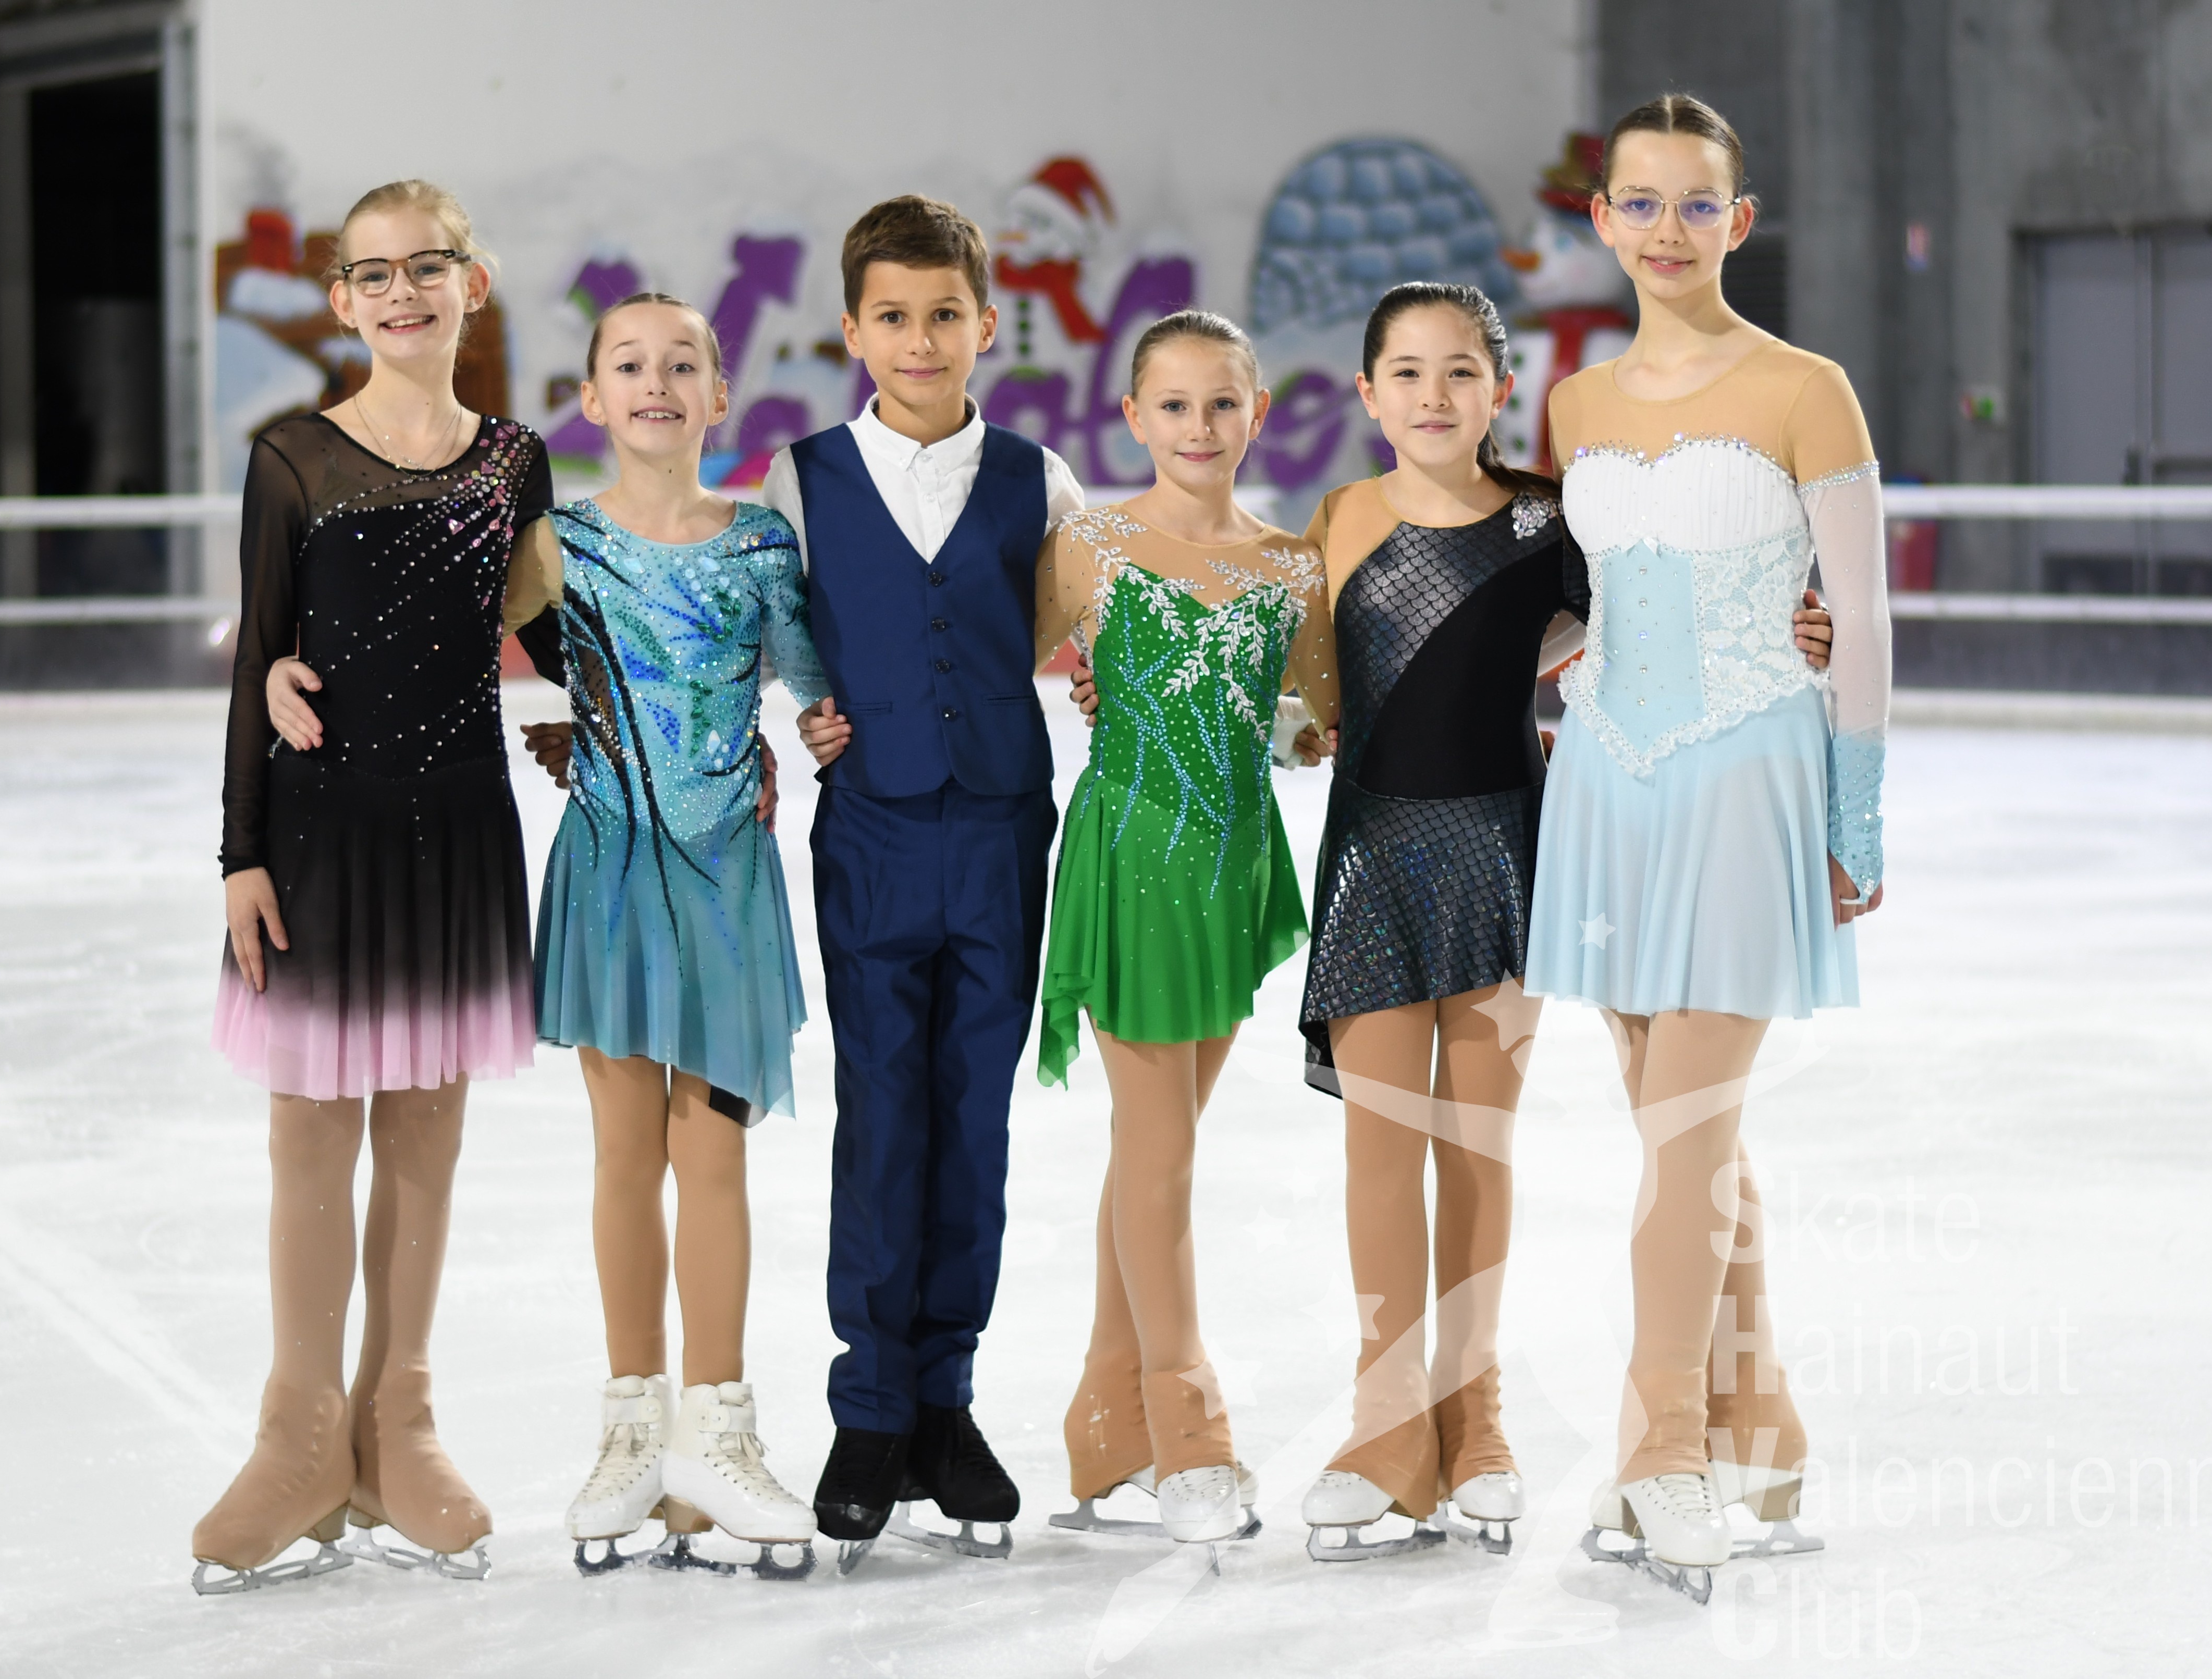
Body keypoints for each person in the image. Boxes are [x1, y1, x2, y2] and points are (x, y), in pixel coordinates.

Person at [1291, 283, 1839, 1563]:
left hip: (1506, 857)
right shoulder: (1338, 518)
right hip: (1371, 862)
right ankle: (1383, 1428)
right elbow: (1302, 687)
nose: (1433, 396)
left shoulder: (1550, 518)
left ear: (1502, 388)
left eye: (1460, 372)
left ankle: (1479, 1425)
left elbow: (1655, 614)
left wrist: (1783, 626)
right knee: (1380, 1150)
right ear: (1365, 393)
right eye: (1405, 373)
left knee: (1478, 1146)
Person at [1526, 93, 1888, 1588]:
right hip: (1606, 786)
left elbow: (1860, 618)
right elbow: (1578, 600)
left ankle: (1662, 1451)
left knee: (1685, 1140)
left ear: (1736, 222)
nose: (1666, 229)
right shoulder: (1573, 406)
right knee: (1690, 1139)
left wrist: (1854, 819)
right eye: (1641, 201)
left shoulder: (1808, 389)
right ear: (1601, 218)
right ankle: (1763, 1425)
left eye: (1695, 204)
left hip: (1750, 776)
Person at [195, 179, 551, 1591]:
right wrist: (239, 852)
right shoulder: (292, 458)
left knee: (424, 1131)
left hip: (458, 827)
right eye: (376, 274)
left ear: (473, 282)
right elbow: (259, 658)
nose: (404, 293)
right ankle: (297, 1434)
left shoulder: (514, 463)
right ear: (342, 299)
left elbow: (558, 629)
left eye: (429, 267)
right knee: (309, 1130)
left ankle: (395, 1421)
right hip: (320, 831)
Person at [754, 195, 1087, 1566]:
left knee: (973, 1115)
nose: (919, 339)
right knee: (882, 1108)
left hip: (1003, 825)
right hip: (874, 832)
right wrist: (808, 709)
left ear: (985, 325)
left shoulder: (1037, 478)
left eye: (944, 314)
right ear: (852, 329)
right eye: (892, 316)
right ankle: (870, 1409)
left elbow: (1075, 621)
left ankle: (947, 1398)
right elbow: (770, 623)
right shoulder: (801, 478)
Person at [503, 293, 826, 1576]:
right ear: (591, 400)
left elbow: (821, 688)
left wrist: (822, 735)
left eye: (682, 363)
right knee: (623, 1153)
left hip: (729, 880)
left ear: (717, 396)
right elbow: (459, 640)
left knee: (715, 1156)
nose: (656, 382)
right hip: (610, 873)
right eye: (629, 365)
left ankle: (718, 1431)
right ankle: (632, 1430)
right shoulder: (556, 545)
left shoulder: (760, 544)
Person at [1033, 311, 1336, 1549]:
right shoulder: (1087, 547)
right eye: (1173, 404)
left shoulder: (1292, 566)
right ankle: (1190, 1429)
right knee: (1159, 1154)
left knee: (1152, 1149)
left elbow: (1313, 720)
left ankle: (1105, 1425)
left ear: (1256, 413)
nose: (1198, 426)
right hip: (1131, 859)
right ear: (1132, 418)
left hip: (1231, 863)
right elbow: (978, 668)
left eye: (1221, 403)